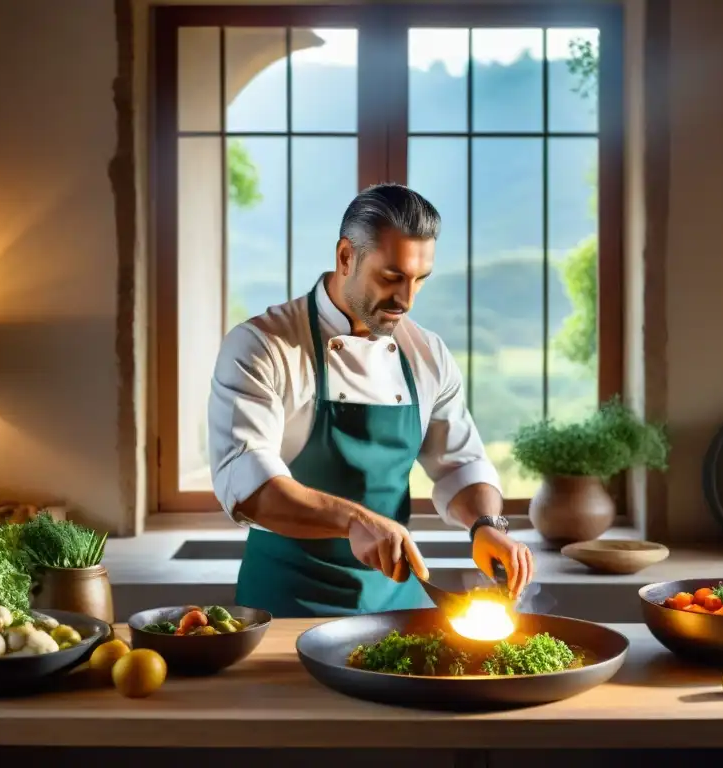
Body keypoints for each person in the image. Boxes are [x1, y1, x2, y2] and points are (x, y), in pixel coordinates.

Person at [208, 183, 534, 618]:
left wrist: (486, 525)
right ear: (346, 257)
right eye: (391, 277)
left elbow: (459, 464)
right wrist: (355, 521)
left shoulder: (428, 354)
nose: (406, 299)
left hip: (398, 606)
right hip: (286, 607)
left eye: (419, 280)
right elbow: (250, 486)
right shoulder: (262, 346)